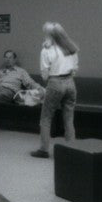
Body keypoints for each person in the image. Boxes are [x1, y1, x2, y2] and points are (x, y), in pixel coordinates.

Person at [31, 22, 79, 158]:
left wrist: (51, 82)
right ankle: (72, 149)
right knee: (69, 118)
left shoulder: (46, 50)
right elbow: (75, 69)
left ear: (48, 35)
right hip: (70, 83)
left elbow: (45, 73)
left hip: (55, 82)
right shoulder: (71, 48)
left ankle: (44, 150)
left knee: (46, 118)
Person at [0, 50, 43, 135]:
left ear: (14, 60)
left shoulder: (21, 71)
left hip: (9, 91)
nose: (8, 59)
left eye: (10, 57)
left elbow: (30, 83)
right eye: (6, 57)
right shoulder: (0, 72)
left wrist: (40, 88)